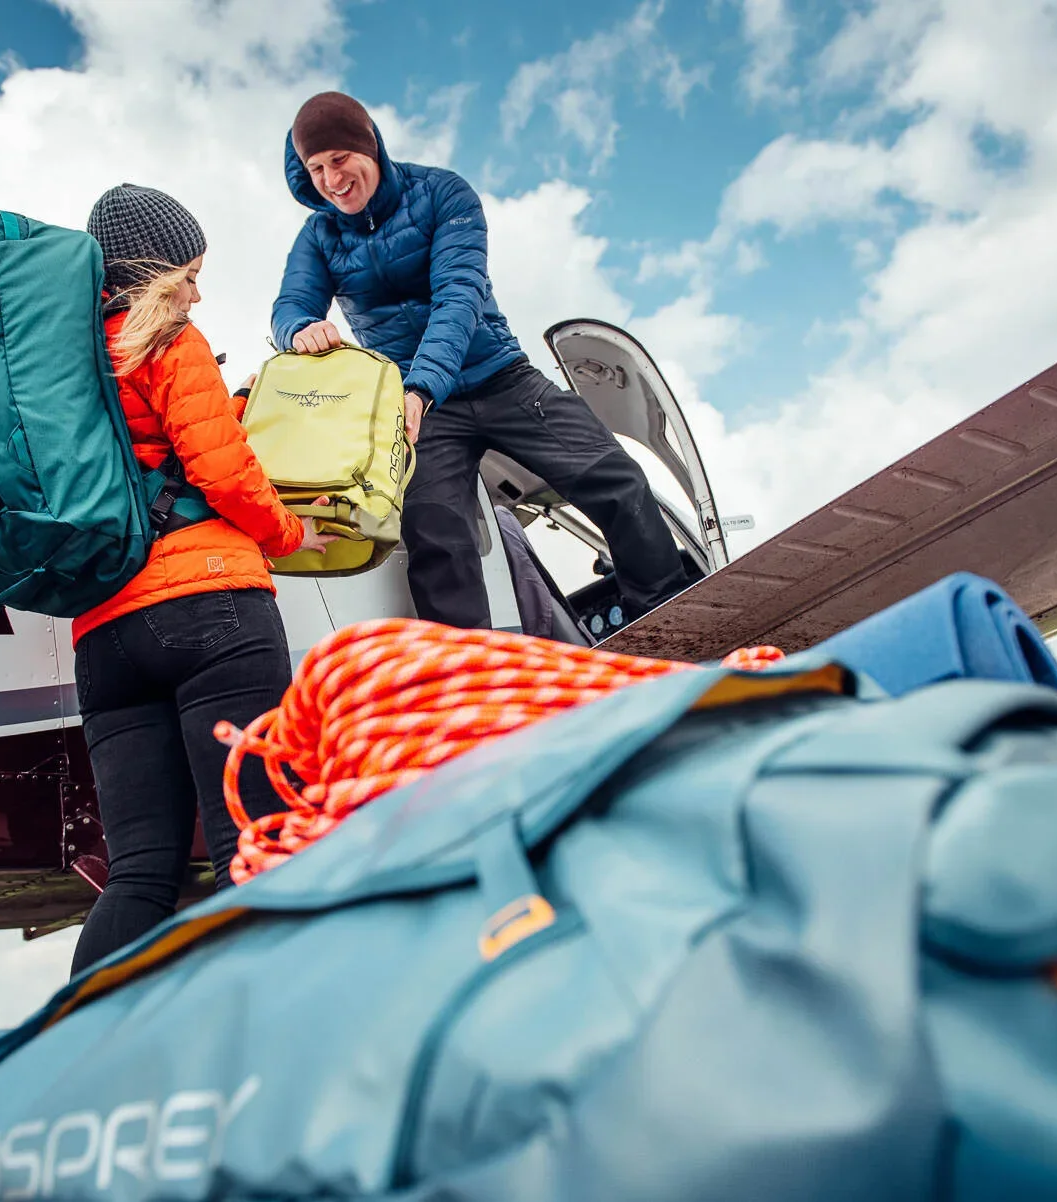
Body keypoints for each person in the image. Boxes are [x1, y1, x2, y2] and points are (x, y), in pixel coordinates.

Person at [272, 91, 691, 632]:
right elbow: (290, 306)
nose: (332, 179)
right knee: (436, 538)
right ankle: (477, 676)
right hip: (415, 407)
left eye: (340, 160)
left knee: (616, 479)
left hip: (498, 377)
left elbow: (458, 296)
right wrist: (300, 330)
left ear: (369, 146)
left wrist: (422, 388)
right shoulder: (319, 236)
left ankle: (668, 625)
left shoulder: (443, 193)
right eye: (317, 168)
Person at [70, 183, 332, 975]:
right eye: (187, 271)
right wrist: (291, 532)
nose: (196, 289)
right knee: (254, 848)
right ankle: (283, 1050)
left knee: (141, 873)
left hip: (104, 635)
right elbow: (221, 473)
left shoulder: (60, 359)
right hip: (210, 612)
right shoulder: (166, 339)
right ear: (151, 273)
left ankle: (71, 1054)